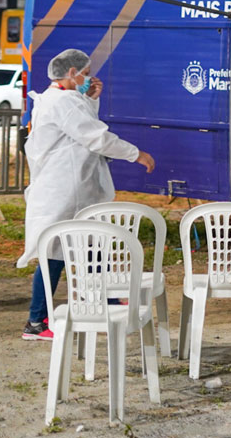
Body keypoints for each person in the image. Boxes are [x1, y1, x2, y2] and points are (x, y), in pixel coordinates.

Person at [18, 48, 155, 340]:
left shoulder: (58, 98)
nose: (88, 77)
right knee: (55, 254)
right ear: (72, 73)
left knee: (91, 241)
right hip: (63, 191)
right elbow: (94, 136)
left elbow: (82, 126)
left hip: (71, 188)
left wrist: (90, 99)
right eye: (86, 72)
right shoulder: (63, 102)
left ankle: (100, 298)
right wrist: (136, 154)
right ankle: (36, 321)